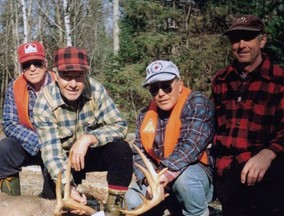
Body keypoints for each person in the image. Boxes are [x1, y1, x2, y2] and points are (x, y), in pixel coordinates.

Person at [33, 47, 133, 216]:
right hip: (62, 160)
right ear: (56, 76)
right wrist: (68, 186)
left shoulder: (96, 90)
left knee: (121, 150)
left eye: (78, 77)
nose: (73, 84)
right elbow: (51, 154)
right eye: (66, 77)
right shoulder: (44, 103)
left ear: (86, 75)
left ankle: (114, 209)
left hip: (90, 153)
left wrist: (89, 138)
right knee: (56, 205)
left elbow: (120, 126)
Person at [211, 14, 284, 216]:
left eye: (248, 37)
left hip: (265, 171)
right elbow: (216, 128)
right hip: (227, 171)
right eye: (236, 39)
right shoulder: (220, 80)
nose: (241, 45)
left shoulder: (280, 81)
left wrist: (268, 154)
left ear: (262, 40)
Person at [125, 60, 215, 216]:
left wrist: (162, 178)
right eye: (154, 89)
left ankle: (197, 212)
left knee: (184, 182)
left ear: (179, 85)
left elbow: (191, 145)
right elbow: (138, 153)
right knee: (132, 199)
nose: (160, 93)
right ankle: (169, 207)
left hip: (193, 174)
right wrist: (149, 181)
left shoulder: (197, 103)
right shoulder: (144, 114)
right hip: (161, 179)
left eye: (166, 85)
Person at [0, 41, 56, 198]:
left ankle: (53, 198)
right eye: (26, 65)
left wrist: (51, 143)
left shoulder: (60, 82)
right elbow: (10, 124)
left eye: (37, 63)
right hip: (31, 143)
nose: (32, 68)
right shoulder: (15, 87)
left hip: (58, 144)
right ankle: (10, 203)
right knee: (4, 149)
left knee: (51, 198)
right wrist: (39, 141)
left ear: (45, 63)